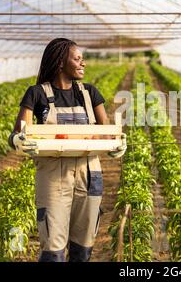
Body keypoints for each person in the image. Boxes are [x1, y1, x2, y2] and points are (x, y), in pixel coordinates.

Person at [8, 38, 126, 262]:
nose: (83, 63)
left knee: (83, 247)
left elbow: (108, 132)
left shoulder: (89, 93)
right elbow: (17, 133)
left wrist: (116, 143)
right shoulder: (37, 94)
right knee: (53, 249)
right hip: (54, 175)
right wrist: (20, 141)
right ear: (61, 63)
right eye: (77, 58)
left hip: (89, 174)